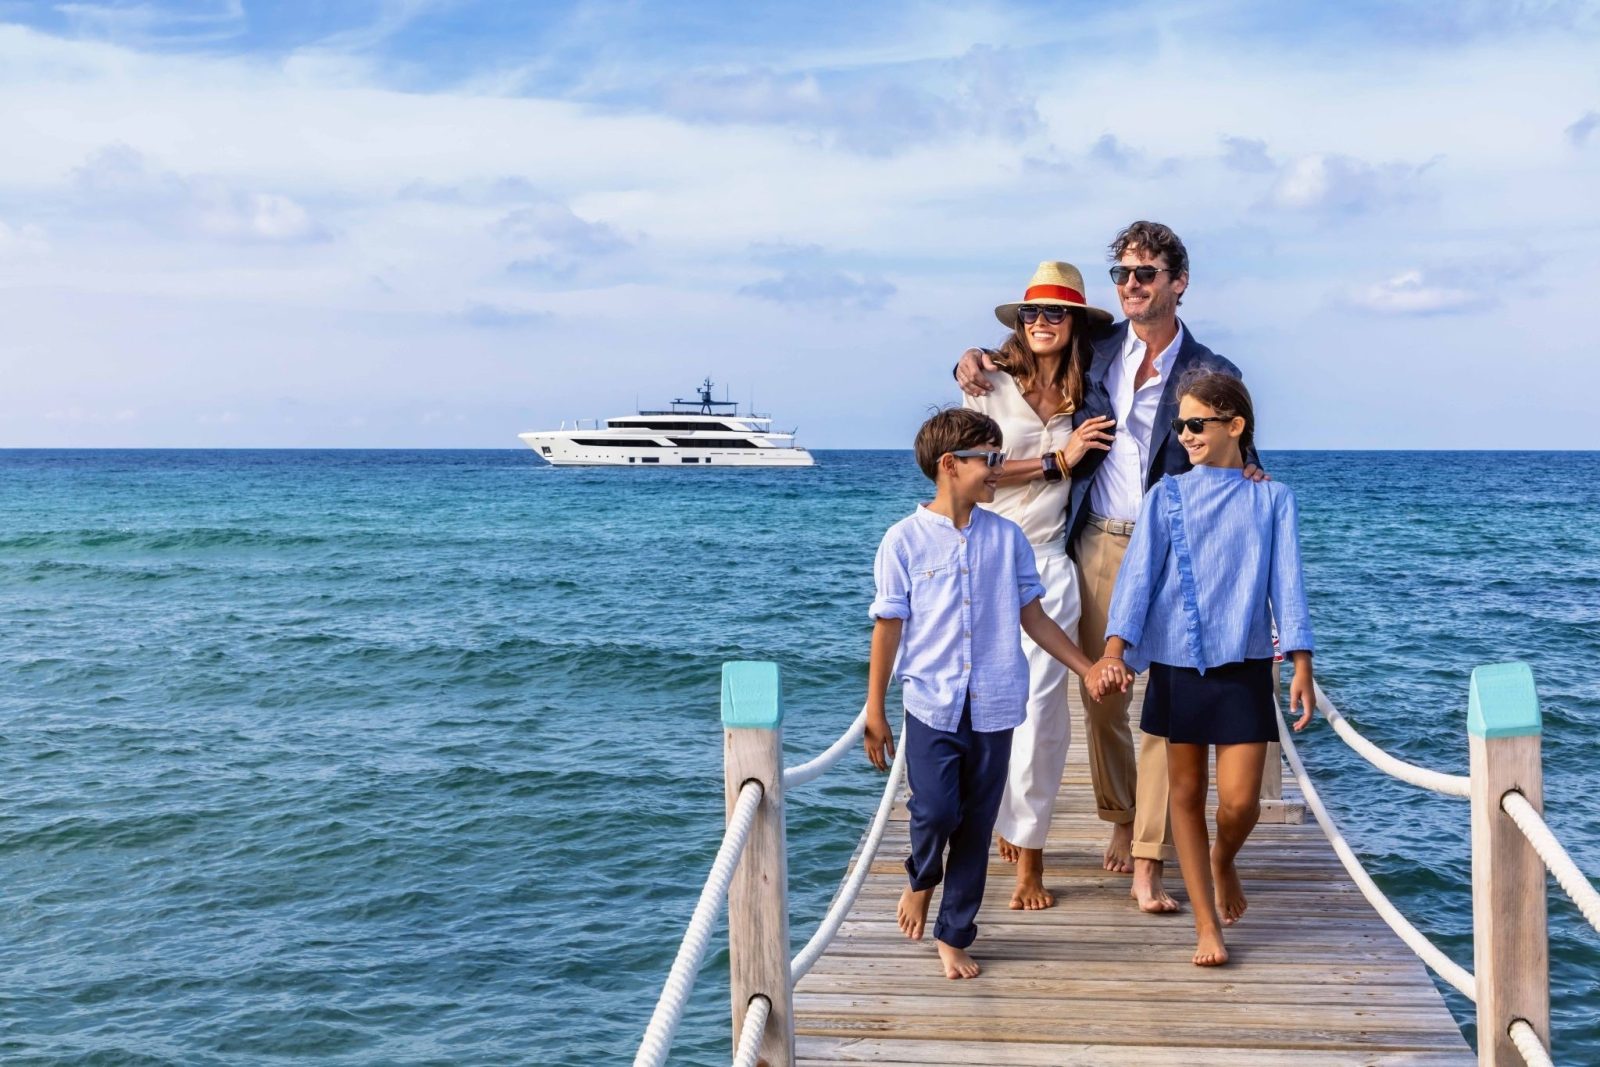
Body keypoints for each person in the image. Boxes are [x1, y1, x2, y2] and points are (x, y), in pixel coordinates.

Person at [956, 221, 1265, 914]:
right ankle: (1122, 813)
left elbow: (1241, 452)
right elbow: (1027, 351)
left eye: (1145, 273)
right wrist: (968, 358)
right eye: (1122, 273)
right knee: (1103, 694)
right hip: (1096, 538)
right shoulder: (1094, 352)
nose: (1131, 284)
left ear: (1177, 283)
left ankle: (1149, 857)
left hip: (1177, 545)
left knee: (1169, 702)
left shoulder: (1212, 371)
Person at [862, 408, 1127, 979]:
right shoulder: (902, 542)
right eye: (990, 460)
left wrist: (1085, 667)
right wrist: (874, 708)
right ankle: (921, 879)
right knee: (934, 810)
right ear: (950, 466)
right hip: (931, 703)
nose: (998, 471)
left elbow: (1035, 618)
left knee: (977, 825)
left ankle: (955, 934)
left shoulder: (1006, 539)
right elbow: (888, 627)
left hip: (997, 703)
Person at [1087, 371, 1315, 965]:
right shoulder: (1165, 495)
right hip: (1177, 662)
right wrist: (1115, 651)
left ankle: (1222, 860)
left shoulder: (1272, 497)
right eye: (1179, 425)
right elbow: (1137, 578)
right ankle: (1207, 925)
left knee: (1239, 803)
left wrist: (1300, 664)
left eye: (1196, 424)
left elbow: (1287, 583)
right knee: (1184, 796)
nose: (1184, 435)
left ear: (1234, 426)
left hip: (1242, 664)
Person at [961, 261, 1118, 911]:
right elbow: (974, 474)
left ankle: (1031, 855)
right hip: (985, 558)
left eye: (1056, 313)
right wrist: (1060, 458)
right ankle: (1000, 813)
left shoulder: (1093, 390)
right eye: (1031, 313)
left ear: (1076, 322)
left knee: (1042, 720)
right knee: (985, 706)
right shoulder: (987, 383)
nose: (1042, 323)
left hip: (1050, 562)